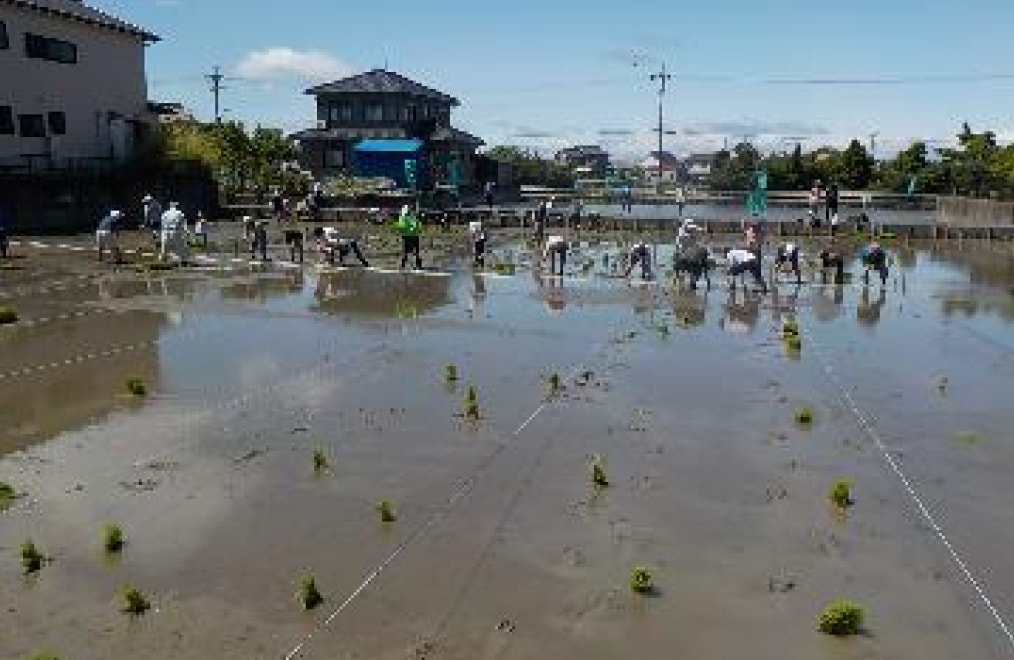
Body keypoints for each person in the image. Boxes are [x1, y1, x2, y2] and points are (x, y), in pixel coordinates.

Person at [395, 205, 423, 270]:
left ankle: (403, 265)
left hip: (407, 236)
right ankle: (418, 265)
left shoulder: (404, 218)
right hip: (415, 236)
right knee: (416, 252)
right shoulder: (414, 217)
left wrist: (398, 225)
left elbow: (401, 226)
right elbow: (419, 227)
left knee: (406, 252)